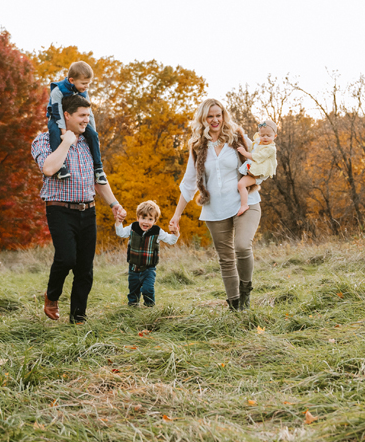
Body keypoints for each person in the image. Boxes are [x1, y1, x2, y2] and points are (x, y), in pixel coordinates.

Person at [31, 93, 125, 324]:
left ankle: (78, 318)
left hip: (88, 210)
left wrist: (114, 204)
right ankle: (52, 296)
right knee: (66, 258)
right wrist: (65, 142)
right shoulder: (44, 141)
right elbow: (49, 169)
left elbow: (98, 178)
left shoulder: (89, 142)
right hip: (60, 210)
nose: (87, 120)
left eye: (88, 115)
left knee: (85, 269)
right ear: (67, 115)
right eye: (82, 115)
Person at [169, 99, 261, 310]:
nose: (215, 120)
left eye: (218, 115)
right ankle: (235, 306)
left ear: (223, 115)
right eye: (210, 116)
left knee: (242, 246)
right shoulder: (197, 146)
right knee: (226, 259)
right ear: (203, 118)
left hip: (245, 202)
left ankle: (245, 292)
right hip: (215, 209)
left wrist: (255, 179)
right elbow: (189, 183)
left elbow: (260, 159)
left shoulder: (237, 137)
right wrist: (176, 215)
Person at [47, 61, 107, 185]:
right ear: (72, 80)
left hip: (75, 118)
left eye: (88, 84)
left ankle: (98, 168)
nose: (87, 86)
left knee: (93, 135)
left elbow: (89, 113)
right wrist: (63, 130)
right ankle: (61, 166)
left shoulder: (84, 92)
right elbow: (57, 111)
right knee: (54, 131)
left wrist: (93, 131)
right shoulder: (58, 90)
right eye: (84, 83)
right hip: (56, 116)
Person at [114, 200, 179, 307]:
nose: (146, 222)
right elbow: (120, 233)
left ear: (154, 220)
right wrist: (118, 222)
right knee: (133, 290)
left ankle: (149, 306)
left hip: (149, 269)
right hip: (133, 267)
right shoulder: (133, 227)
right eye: (143, 218)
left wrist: (176, 233)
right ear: (138, 217)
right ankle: (133, 306)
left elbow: (171, 240)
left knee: (148, 289)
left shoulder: (157, 231)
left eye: (150, 219)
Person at [235, 119, 278, 216]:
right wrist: (242, 137)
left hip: (259, 173)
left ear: (274, 136)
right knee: (240, 182)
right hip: (254, 169)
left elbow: (258, 157)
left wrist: (245, 153)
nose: (265, 138)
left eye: (268, 135)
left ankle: (244, 205)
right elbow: (251, 144)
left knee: (241, 184)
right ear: (259, 135)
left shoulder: (270, 148)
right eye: (263, 135)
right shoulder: (259, 142)